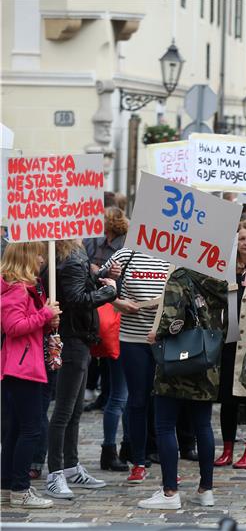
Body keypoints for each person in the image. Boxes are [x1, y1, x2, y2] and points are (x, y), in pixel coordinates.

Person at [137, 269, 227, 510]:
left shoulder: (180, 277)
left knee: (165, 426)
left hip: (178, 364)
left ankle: (169, 492)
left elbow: (172, 320)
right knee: (203, 426)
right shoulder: (218, 279)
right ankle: (206, 490)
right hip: (206, 362)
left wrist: (157, 334)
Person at [45, 239, 117, 499]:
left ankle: (71, 466)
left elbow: (75, 289)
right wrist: (109, 292)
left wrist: (102, 277)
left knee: (73, 410)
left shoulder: (67, 254)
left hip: (77, 337)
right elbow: (76, 299)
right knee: (64, 410)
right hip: (73, 338)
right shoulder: (72, 257)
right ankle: (55, 473)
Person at [1, 242, 61, 508]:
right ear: (26, 257)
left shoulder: (23, 288)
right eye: (37, 254)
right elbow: (14, 327)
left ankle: (8, 486)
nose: (41, 259)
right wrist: (44, 314)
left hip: (21, 364)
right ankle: (21, 489)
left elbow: (28, 322)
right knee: (30, 429)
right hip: (22, 366)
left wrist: (45, 318)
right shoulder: (16, 290)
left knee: (15, 429)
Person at [105, 247, 172, 483]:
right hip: (133, 340)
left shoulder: (176, 253)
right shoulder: (127, 254)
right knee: (138, 401)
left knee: (166, 401)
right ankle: (138, 461)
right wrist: (117, 301)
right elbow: (99, 280)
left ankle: (169, 464)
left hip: (165, 339)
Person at [214, 221, 246, 469]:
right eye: (242, 239)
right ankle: (227, 448)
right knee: (228, 398)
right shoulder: (226, 269)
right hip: (229, 338)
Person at [98, 207, 131, 471]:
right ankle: (112, 449)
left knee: (122, 394)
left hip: (120, 328)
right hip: (118, 327)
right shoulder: (121, 252)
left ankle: (123, 447)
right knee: (121, 395)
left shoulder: (119, 249)